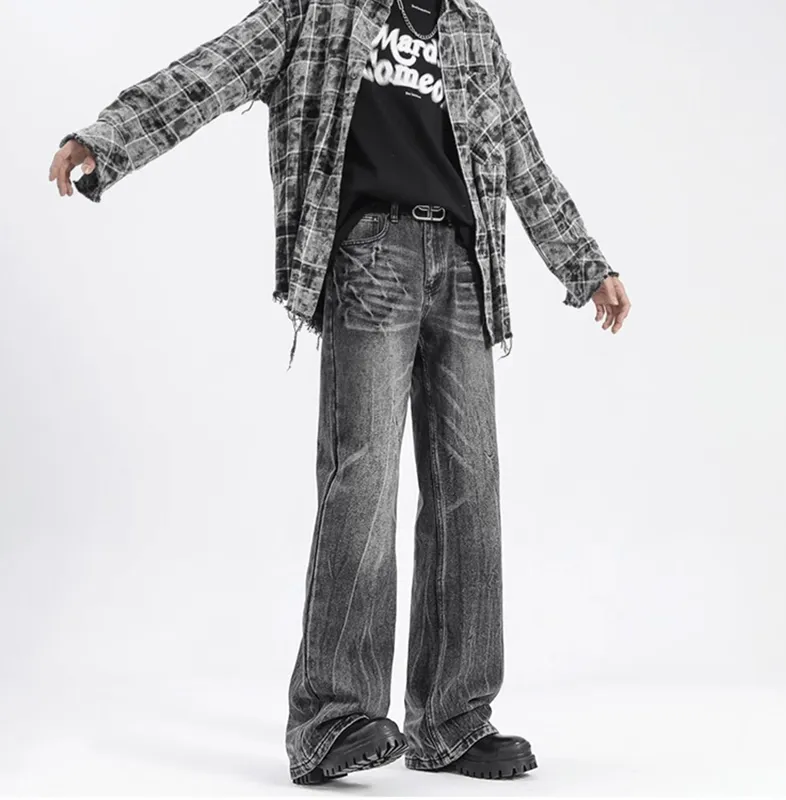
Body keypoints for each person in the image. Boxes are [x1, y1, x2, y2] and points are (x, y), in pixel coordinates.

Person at [50, 0, 632, 786]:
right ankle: (331, 721)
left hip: (465, 266)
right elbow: (214, 70)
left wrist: (585, 264)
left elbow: (522, 158)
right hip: (371, 254)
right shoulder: (319, 10)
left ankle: (453, 719)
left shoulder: (471, 27)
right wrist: (109, 139)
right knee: (363, 480)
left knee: (471, 490)